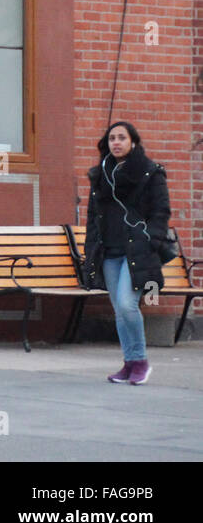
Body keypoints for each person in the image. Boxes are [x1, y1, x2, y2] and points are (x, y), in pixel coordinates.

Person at [83, 121, 172, 385]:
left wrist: (150, 240)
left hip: (137, 250)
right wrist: (91, 248)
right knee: (119, 310)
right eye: (112, 138)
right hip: (108, 249)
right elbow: (92, 215)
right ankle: (129, 362)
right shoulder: (100, 174)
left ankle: (141, 361)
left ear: (133, 141)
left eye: (122, 137)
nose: (116, 143)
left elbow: (161, 212)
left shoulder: (150, 172)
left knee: (126, 303)